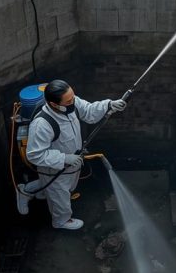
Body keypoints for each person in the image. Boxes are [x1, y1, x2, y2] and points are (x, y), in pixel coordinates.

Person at [21, 80, 127, 229]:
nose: (74, 101)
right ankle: (61, 221)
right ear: (54, 104)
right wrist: (65, 158)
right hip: (54, 168)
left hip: (72, 162)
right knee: (60, 194)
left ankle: (27, 190)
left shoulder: (71, 103)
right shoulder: (42, 125)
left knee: (60, 186)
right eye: (69, 100)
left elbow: (89, 112)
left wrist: (108, 105)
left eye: (73, 96)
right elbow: (35, 155)